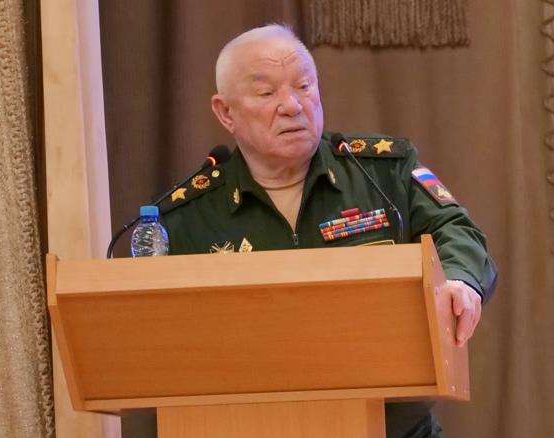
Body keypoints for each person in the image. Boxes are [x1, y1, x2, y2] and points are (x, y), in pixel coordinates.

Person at [159, 24, 497, 438]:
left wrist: (460, 281)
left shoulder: (380, 173)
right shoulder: (187, 215)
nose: (292, 105)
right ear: (225, 112)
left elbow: (456, 229)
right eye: (266, 93)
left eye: (304, 86)